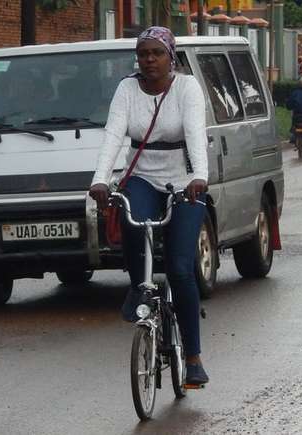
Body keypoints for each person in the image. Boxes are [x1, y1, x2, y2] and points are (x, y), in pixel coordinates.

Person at [88, 26, 210, 386]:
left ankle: (193, 357)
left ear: (170, 57)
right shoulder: (127, 88)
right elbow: (113, 134)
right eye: (143, 54)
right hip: (142, 175)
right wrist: (100, 178)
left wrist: (199, 176)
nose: (149, 60)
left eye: (156, 53)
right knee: (132, 218)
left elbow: (194, 132)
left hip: (184, 180)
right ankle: (138, 286)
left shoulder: (186, 88)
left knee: (180, 269)